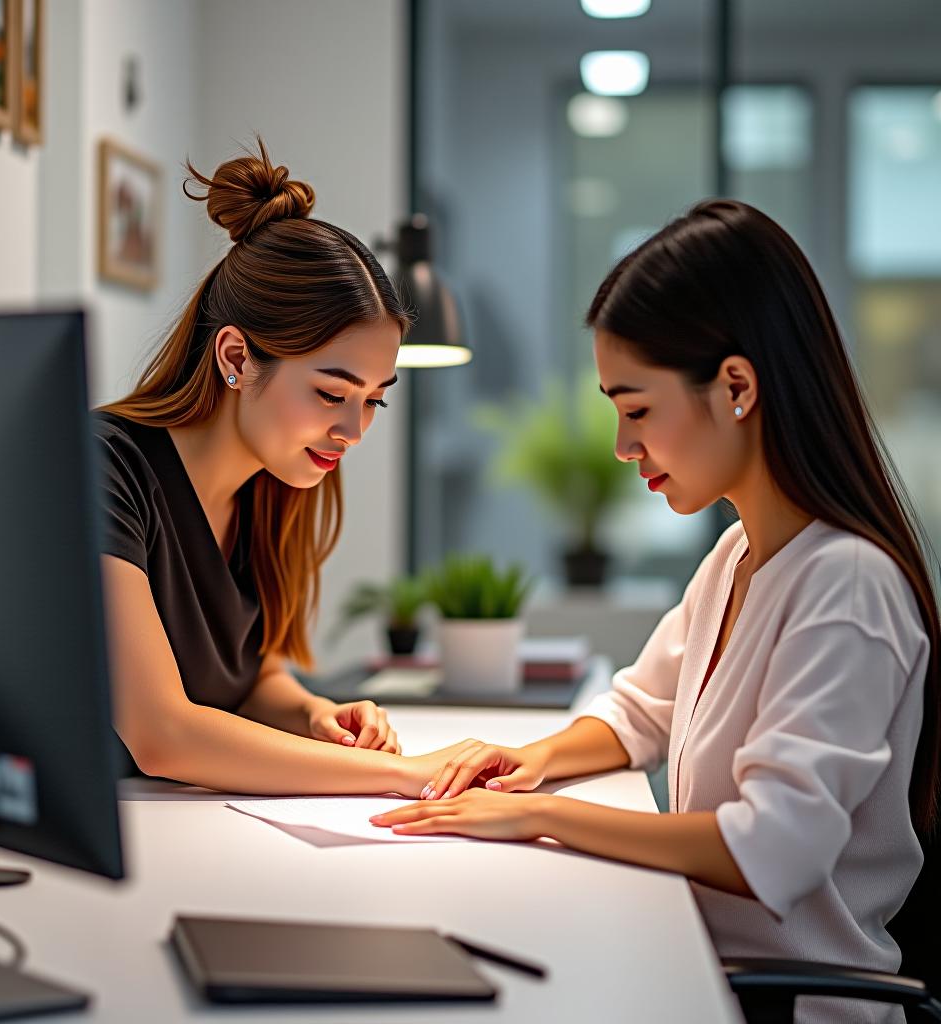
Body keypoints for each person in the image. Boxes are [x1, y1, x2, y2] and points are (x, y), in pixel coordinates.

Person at [371, 200, 940, 1022]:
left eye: (636, 409)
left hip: (782, 1006)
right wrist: (531, 759)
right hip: (699, 964)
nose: (621, 446)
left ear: (737, 387)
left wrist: (539, 816)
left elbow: (768, 852)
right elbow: (641, 710)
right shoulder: (737, 557)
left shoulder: (848, 586)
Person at [95, 141, 464, 797]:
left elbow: (252, 676)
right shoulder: (105, 468)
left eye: (374, 399)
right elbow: (161, 734)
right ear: (236, 356)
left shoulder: (274, 486)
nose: (354, 431)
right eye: (331, 393)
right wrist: (400, 773)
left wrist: (312, 714)